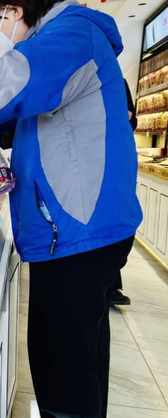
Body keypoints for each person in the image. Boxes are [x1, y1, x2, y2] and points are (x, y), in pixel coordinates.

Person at [0, 1, 142, 418]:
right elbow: (23, 117)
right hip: (80, 230)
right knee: (75, 353)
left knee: (65, 361)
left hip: (79, 231)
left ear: (12, 10)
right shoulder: (64, 40)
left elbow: (0, 88)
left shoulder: (70, 35)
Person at [109, 79, 138, 307]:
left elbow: (132, 119)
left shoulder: (118, 83)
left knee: (117, 222)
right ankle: (109, 284)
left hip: (114, 161)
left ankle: (110, 283)